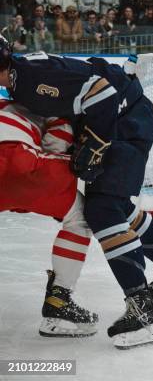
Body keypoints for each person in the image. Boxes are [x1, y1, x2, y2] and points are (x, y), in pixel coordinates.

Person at [0, 39, 153, 349]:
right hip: (122, 116)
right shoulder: (20, 77)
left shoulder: (27, 80)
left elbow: (101, 91)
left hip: (125, 119)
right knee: (115, 206)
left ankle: (144, 312)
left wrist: (96, 142)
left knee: (103, 210)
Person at [0, 99, 97, 337]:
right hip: (19, 162)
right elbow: (60, 135)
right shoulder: (41, 101)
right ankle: (59, 302)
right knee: (79, 217)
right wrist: (43, 192)